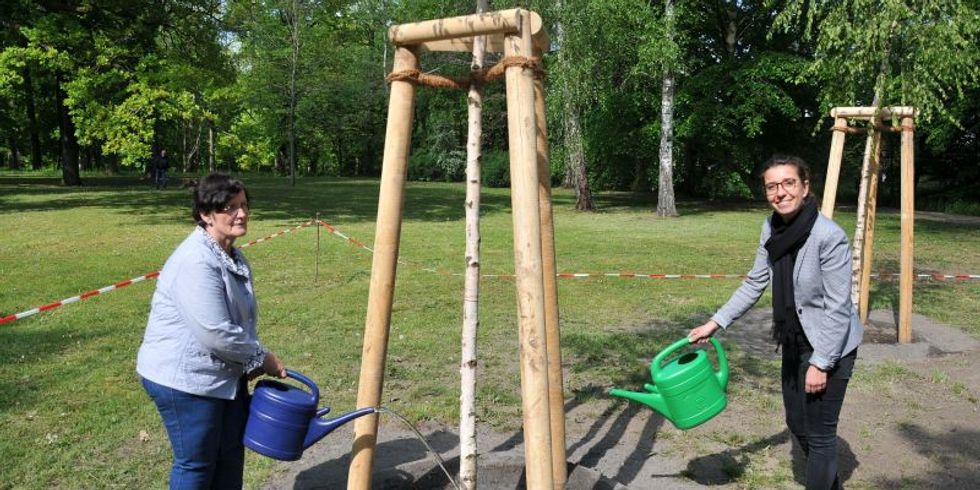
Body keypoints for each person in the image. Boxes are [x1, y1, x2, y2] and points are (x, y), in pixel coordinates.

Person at [688, 155, 863, 490]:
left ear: (805, 187)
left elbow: (839, 308)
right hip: (794, 340)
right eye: (772, 186)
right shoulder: (771, 228)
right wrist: (716, 322)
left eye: (788, 183)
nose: (780, 192)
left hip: (831, 344)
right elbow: (755, 282)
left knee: (821, 435)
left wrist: (822, 364)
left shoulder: (829, 236)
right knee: (796, 421)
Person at [137, 173, 286, 489]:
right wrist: (262, 357)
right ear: (206, 215)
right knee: (197, 464)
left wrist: (249, 359)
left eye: (244, 205)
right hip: (185, 380)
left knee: (230, 454)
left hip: (223, 375)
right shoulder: (196, 260)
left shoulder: (231, 254)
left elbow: (237, 322)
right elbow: (215, 332)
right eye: (230, 207)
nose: (241, 213)